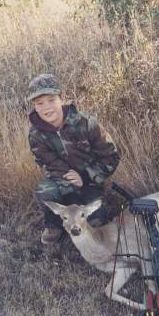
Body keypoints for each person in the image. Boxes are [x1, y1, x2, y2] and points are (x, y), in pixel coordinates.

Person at [28, 73, 121, 244]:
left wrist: (85, 177)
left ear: (61, 99)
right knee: (45, 190)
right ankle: (54, 224)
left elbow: (111, 157)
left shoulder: (86, 122)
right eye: (39, 103)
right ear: (35, 107)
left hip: (91, 182)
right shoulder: (35, 134)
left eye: (51, 100)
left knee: (96, 224)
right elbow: (50, 164)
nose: (46, 107)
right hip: (61, 182)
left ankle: (83, 211)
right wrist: (71, 184)